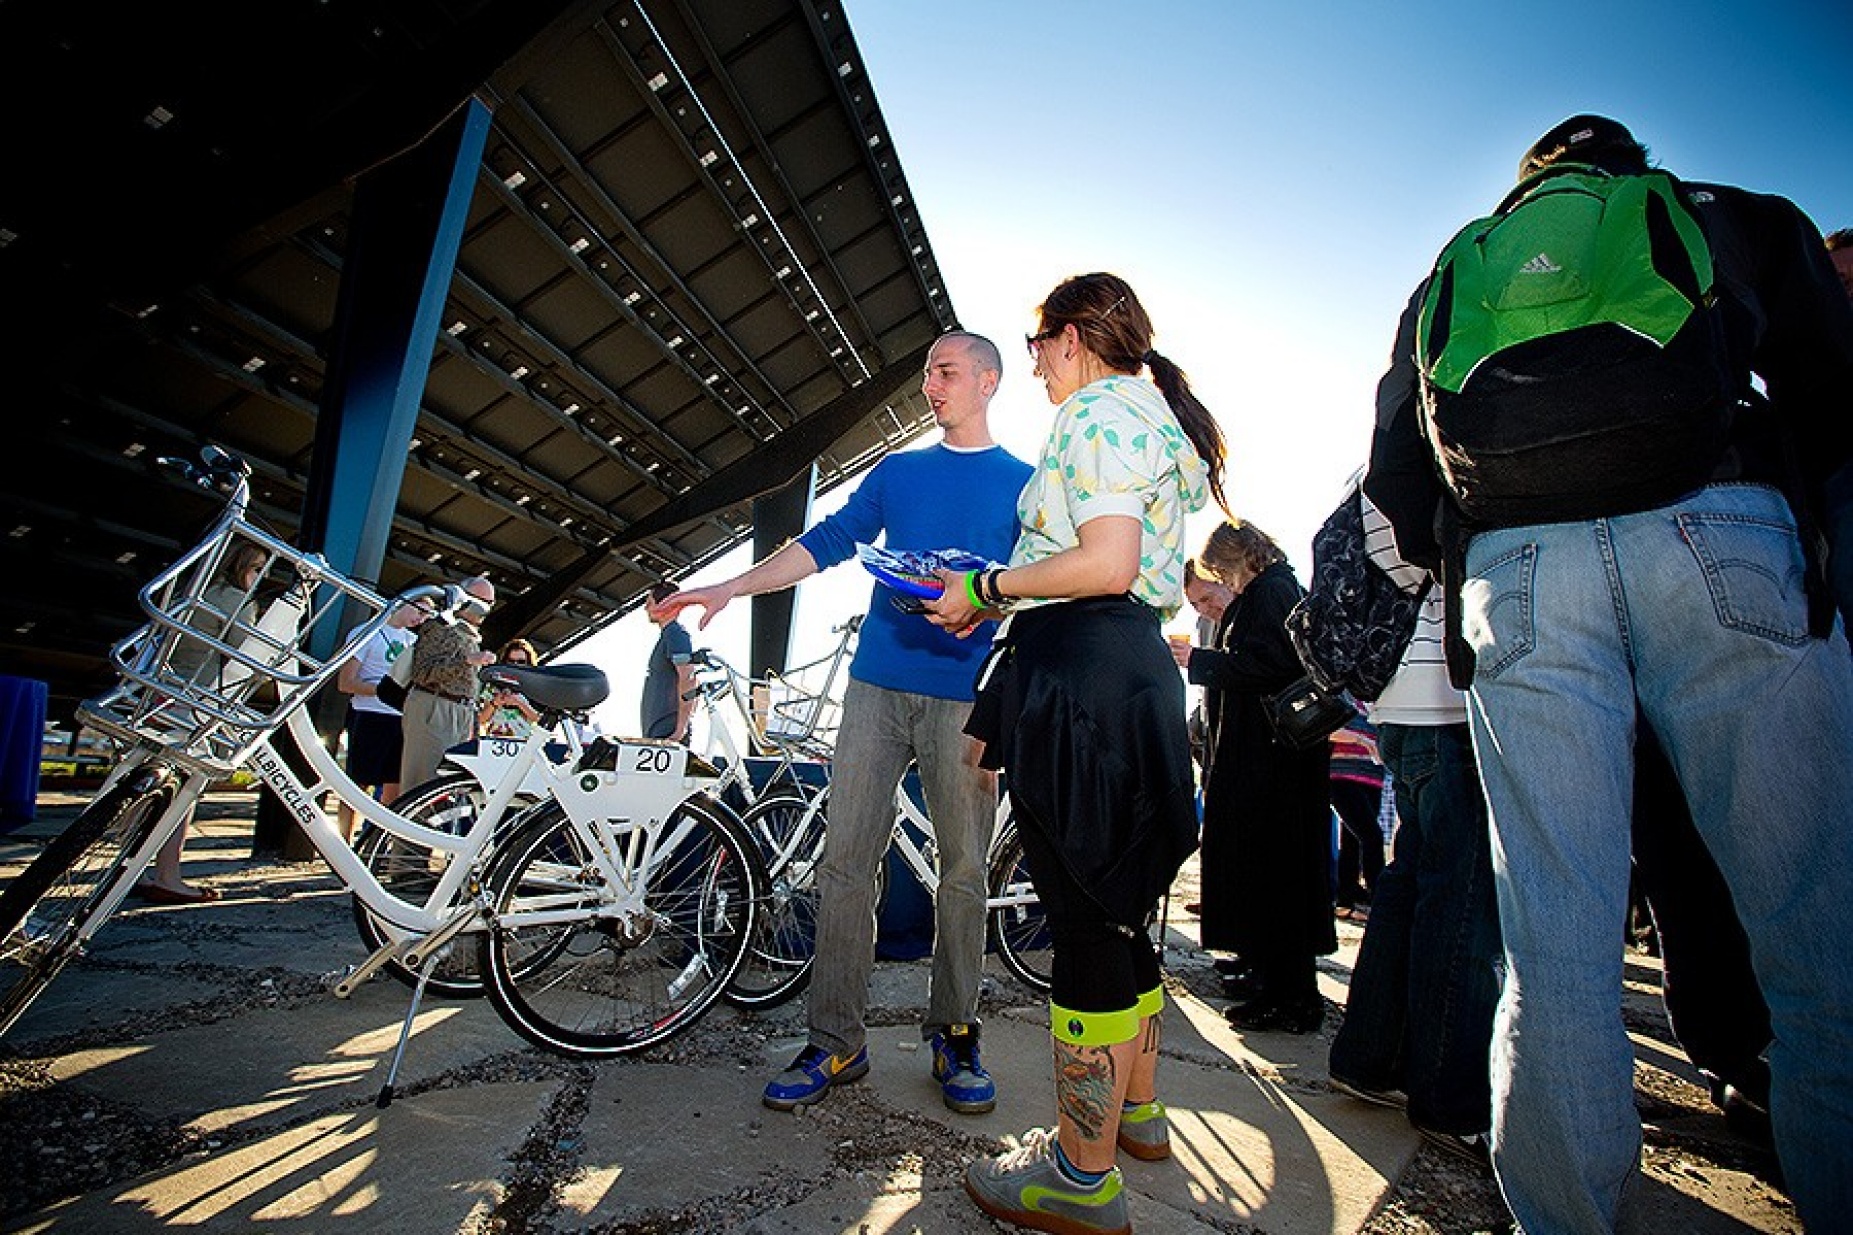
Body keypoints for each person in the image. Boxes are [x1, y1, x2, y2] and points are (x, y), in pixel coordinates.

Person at [1366, 115, 1853, 1231]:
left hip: (1519, 568)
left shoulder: (1458, 263)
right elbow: (1834, 391)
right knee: (1817, 930)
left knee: (1552, 940)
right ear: (1628, 170)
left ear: (1527, 184)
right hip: (1719, 530)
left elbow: (1399, 464)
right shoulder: (1712, 213)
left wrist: (1480, 534)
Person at [651, 330, 1031, 1118]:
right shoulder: (898, 471)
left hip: (967, 694)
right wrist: (730, 586)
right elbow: (826, 543)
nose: (932, 383)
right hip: (875, 687)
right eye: (927, 371)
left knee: (962, 872)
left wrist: (990, 600)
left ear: (988, 381)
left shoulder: (1026, 487)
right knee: (844, 864)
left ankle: (955, 1032)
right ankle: (835, 1039)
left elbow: (1037, 585)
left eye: (947, 371)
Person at [925, 273, 1221, 1235]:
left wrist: (987, 585)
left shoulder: (1094, 410)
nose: (1039, 365)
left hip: (1082, 669)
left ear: (1068, 339)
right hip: (1129, 667)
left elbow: (1106, 560)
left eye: (1038, 343)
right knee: (1121, 912)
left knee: (1086, 925)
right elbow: (1151, 572)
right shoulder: (1154, 415)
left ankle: (1079, 1176)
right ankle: (1134, 1114)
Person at [1327, 477, 1502, 1169]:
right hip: (1446, 698)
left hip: (1404, 696)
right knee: (1459, 905)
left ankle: (1371, 1055)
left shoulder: (1375, 465)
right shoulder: (1426, 452)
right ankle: (1450, 1096)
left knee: (1409, 887)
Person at [1176, 519, 1335, 1035]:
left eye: (1221, 570)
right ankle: (1274, 983)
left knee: (1278, 880)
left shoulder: (1272, 592)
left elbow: (1268, 665)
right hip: (1273, 760)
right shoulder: (1276, 589)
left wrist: (1201, 661)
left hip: (1273, 765)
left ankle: (1289, 998)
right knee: (1274, 879)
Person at [132, 541, 270, 904]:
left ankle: (135, 869)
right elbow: (246, 653)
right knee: (184, 790)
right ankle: (168, 875)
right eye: (256, 569)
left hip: (163, 692)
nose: (261, 577)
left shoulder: (196, 593)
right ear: (239, 566)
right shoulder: (236, 600)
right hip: (197, 699)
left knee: (150, 783)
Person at [333, 594, 431, 841]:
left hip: (400, 717)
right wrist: (382, 690)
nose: (421, 618)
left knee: (393, 785)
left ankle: (377, 842)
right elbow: (346, 682)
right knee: (358, 783)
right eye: (420, 610)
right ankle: (344, 840)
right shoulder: (367, 632)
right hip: (370, 715)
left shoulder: (414, 640)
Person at [398, 575, 496, 791]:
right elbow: (423, 672)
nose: (485, 609)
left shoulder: (470, 635)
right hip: (435, 707)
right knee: (421, 783)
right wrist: (467, 661)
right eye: (481, 601)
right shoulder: (440, 627)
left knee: (448, 786)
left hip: (460, 713)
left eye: (490, 604)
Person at [1328, 711, 1386, 921]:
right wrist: (1361, 740)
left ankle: (1346, 899)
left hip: (1372, 776)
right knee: (1372, 836)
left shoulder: (1375, 700)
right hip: (1342, 775)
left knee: (1354, 838)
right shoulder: (1343, 696)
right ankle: (1377, 897)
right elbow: (1328, 730)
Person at [640, 583, 695, 742]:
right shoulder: (668, 635)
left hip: (668, 730)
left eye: (649, 603)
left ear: (665, 603)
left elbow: (688, 678)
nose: (646, 608)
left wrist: (680, 729)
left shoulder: (676, 634)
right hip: (657, 729)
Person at [479, 638, 542, 739]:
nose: (515, 665)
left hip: (524, 743)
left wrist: (519, 703)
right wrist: (494, 703)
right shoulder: (493, 684)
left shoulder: (533, 686)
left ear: (528, 663)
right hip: (495, 742)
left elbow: (539, 720)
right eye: (511, 661)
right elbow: (481, 720)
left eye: (521, 662)